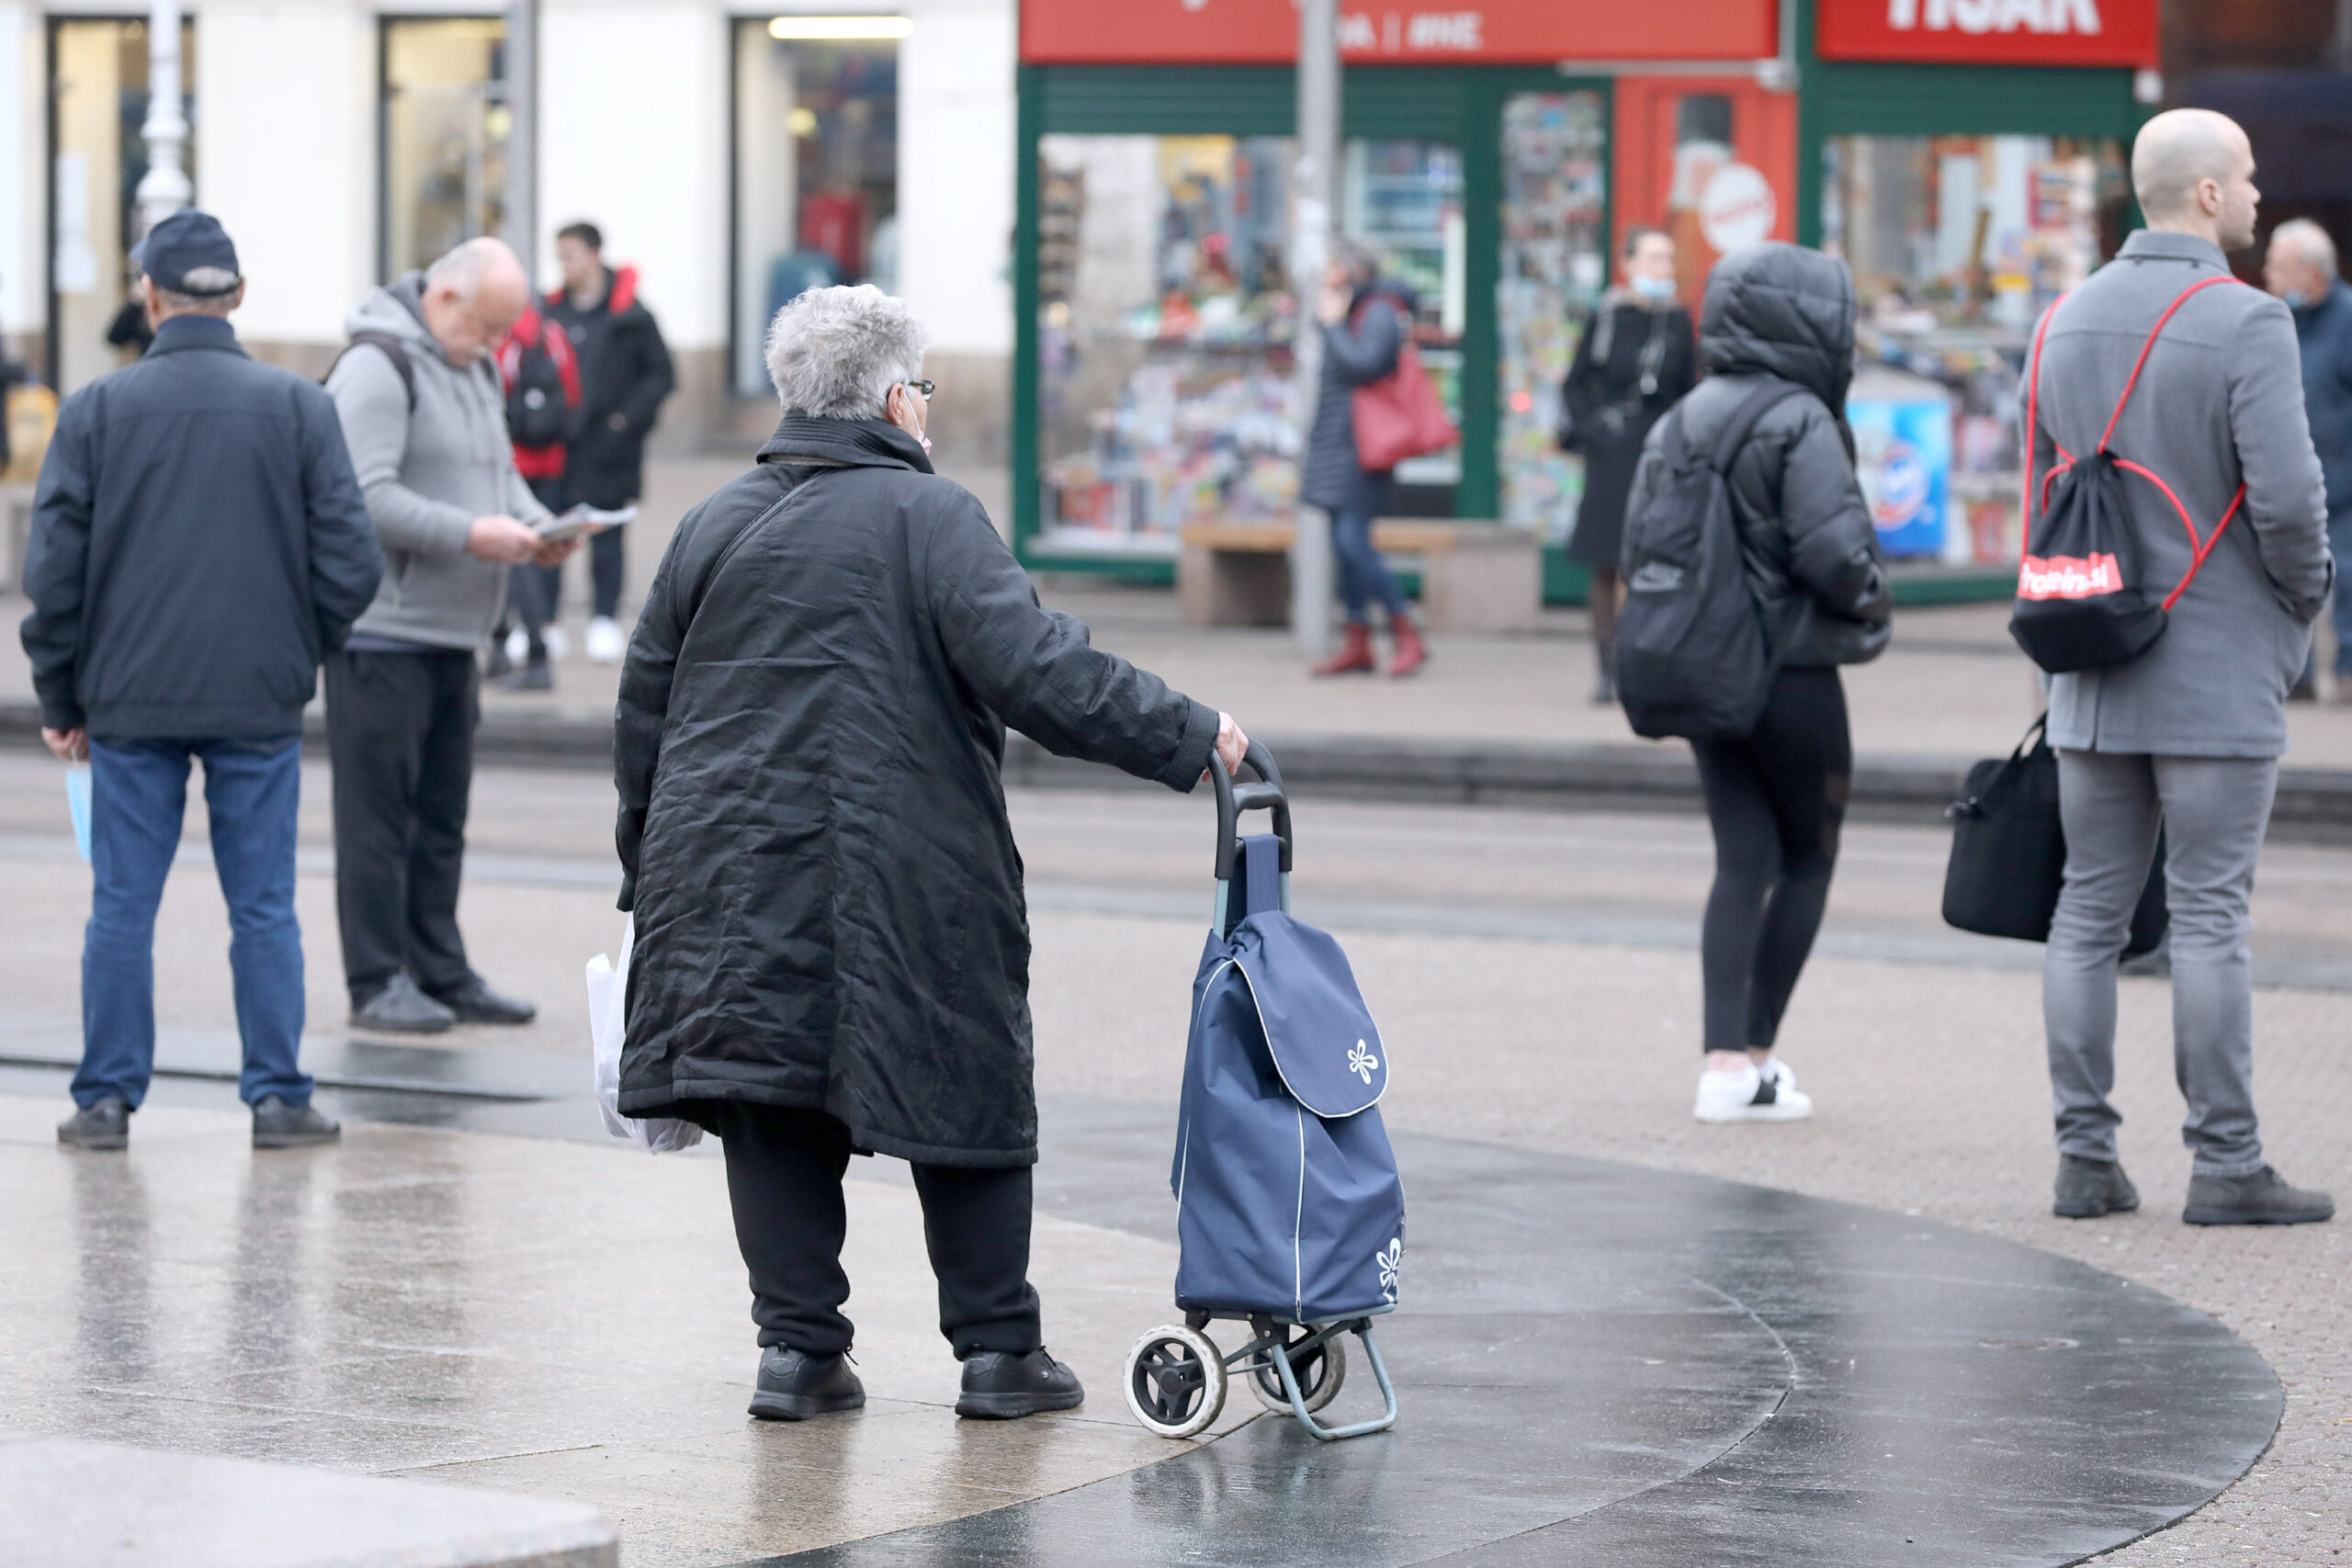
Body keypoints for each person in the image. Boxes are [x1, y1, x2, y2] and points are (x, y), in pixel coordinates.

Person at [615, 285, 1249, 1423]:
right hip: (906, 866)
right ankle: (999, 1355)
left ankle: (798, 1356)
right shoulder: (932, 517)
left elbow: (643, 718)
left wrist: (647, 874)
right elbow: (1041, 671)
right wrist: (1191, 734)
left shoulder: (710, 522)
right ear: (899, 397)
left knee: (768, 1093)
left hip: (720, 870)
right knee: (963, 1078)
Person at [21, 209, 383, 1151]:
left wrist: (63, 697)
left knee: (121, 903)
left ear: (148, 297)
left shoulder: (96, 410)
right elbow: (353, 564)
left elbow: (53, 575)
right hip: (257, 698)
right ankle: (277, 1096)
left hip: (127, 700)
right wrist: (295, 646)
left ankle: (104, 1100)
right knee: (263, 902)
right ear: (240, 295)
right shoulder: (299, 406)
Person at [2031, 109, 2335, 1226]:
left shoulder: (2060, 319)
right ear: (2205, 195)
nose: (2257, 197)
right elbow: (2291, 502)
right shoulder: (2247, 321)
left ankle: (2083, 1161)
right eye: (2247, 178)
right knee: (2208, 918)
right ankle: (2226, 1165)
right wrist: (2299, 602)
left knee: (2087, 913)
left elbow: (2041, 501)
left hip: (2089, 662)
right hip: (2214, 666)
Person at [1623, 242, 1892, 1125]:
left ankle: (1721, 1066)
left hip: (1707, 669)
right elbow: (1834, 552)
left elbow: (1639, 551)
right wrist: (1872, 602)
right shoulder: (1801, 418)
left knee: (1741, 857)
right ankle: (1757, 1054)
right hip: (1791, 672)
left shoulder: (1681, 418)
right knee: (1809, 854)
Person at [325, 237, 576, 1035]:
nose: (498, 345)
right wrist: (473, 533)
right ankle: (375, 979)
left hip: (454, 635)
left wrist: (541, 525)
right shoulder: (376, 366)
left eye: (507, 330)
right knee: (378, 819)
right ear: (443, 299)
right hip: (383, 634)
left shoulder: (467, 363)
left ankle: (439, 966)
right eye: (490, 326)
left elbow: (499, 474)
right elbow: (363, 497)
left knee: (441, 816)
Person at [1559, 226, 1698, 704]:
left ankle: (1650, 664)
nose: (1663, 269)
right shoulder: (1607, 317)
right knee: (1606, 561)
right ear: (1629, 264)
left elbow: (1688, 390)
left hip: (1658, 453)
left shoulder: (1678, 321)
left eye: (1669, 259)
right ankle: (1606, 667)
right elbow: (1576, 383)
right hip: (1611, 453)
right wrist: (1594, 428)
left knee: (1655, 562)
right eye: (1654, 258)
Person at [533, 221, 673, 666]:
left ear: (594, 255)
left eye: (571, 254)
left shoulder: (630, 315)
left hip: (608, 450)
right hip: (556, 448)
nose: (564, 265)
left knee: (607, 536)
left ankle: (604, 620)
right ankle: (545, 624)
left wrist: (624, 421)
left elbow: (661, 376)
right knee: (550, 532)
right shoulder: (550, 312)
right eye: (560, 256)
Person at [1304, 236, 1428, 679]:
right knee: (1344, 546)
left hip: (1362, 448)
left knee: (1353, 541)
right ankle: (1357, 640)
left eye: (1334, 265)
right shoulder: (1355, 309)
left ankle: (1406, 627)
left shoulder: (1378, 310)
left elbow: (1366, 363)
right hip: (1339, 444)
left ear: (1354, 270)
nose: (1325, 274)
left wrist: (1334, 326)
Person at [2265, 220, 2352, 698]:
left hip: (2344, 484)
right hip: (2292, 482)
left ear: (2311, 273)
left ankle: (2347, 674)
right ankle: (2292, 681)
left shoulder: (2347, 320)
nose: (2268, 275)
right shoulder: (2277, 320)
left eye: (2279, 267)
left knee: (2349, 580)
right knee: (2286, 578)